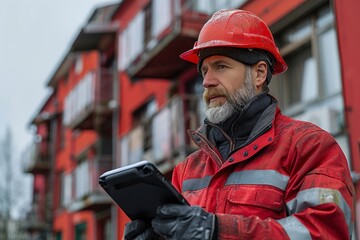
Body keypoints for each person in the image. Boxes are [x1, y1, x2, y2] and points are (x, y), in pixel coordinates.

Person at [124, 9, 355, 240]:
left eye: (221, 66)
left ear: (259, 74)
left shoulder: (308, 147)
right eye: (204, 71)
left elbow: (325, 232)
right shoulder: (186, 170)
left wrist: (218, 231)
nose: (207, 81)